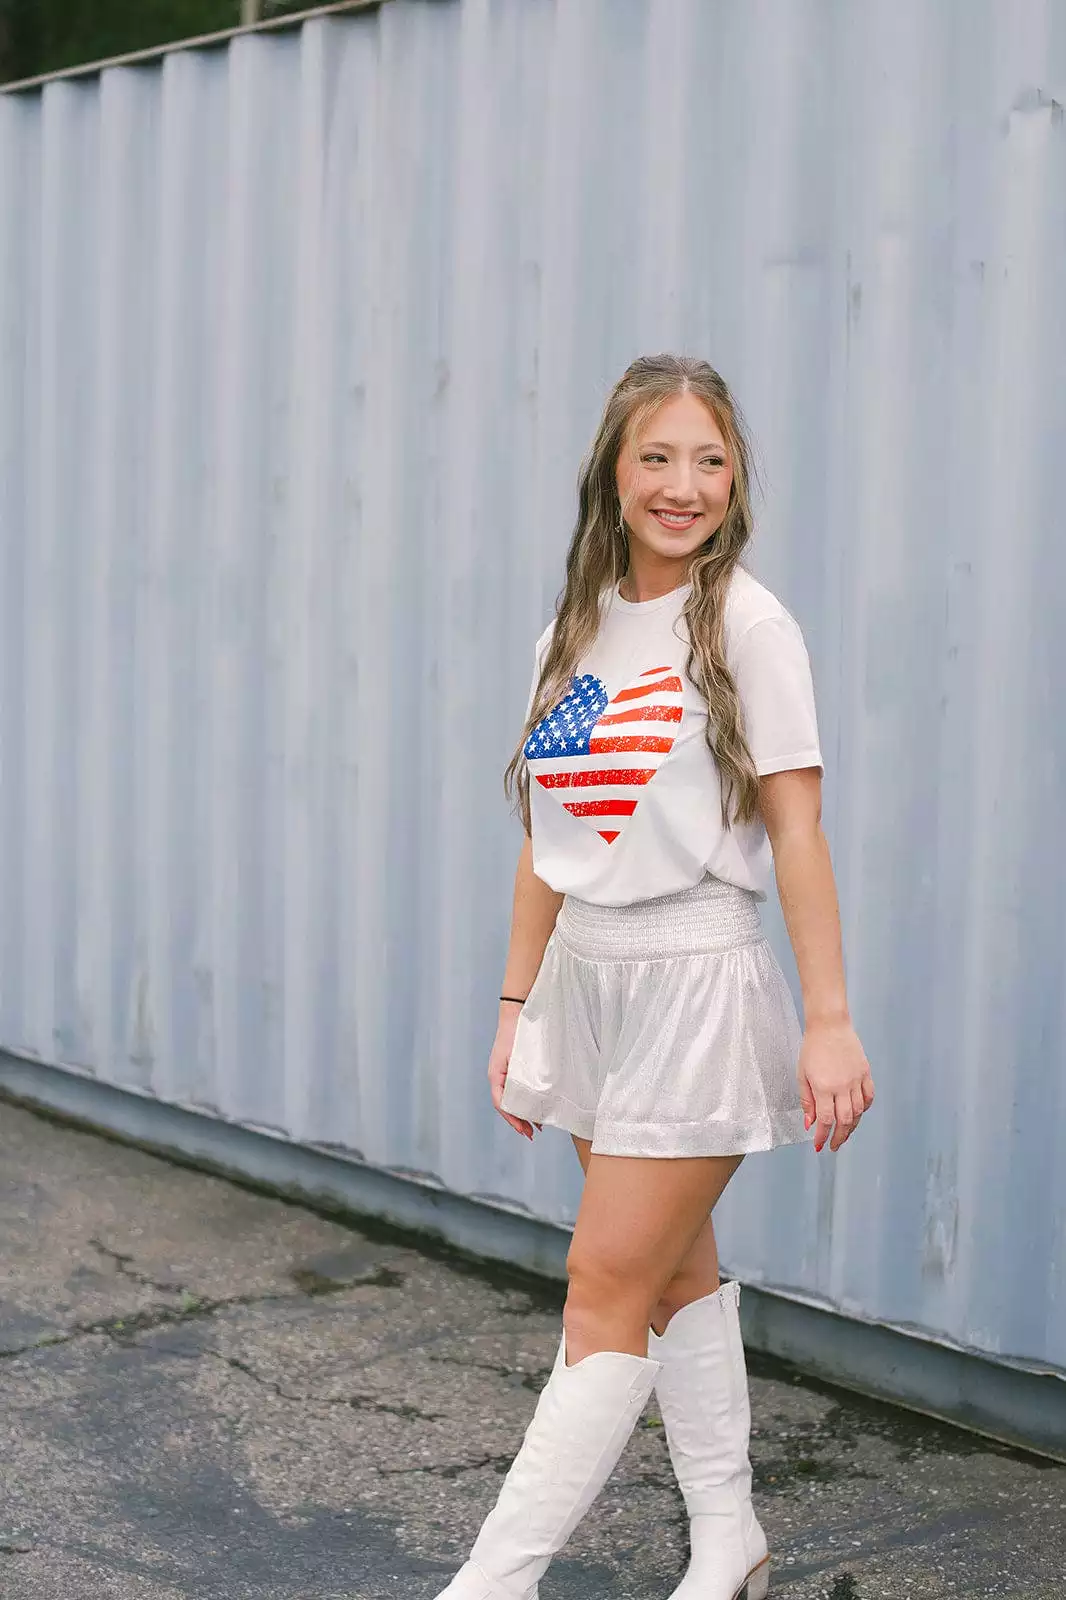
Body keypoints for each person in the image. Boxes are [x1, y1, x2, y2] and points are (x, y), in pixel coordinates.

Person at [433, 354, 875, 1600]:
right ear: (612, 474)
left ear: (735, 482)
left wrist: (828, 1018)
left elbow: (797, 828)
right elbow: (545, 839)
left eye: (710, 460)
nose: (683, 486)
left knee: (602, 1281)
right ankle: (728, 1537)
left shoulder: (745, 623)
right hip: (590, 977)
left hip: (693, 976)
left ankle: (492, 1581)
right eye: (658, 457)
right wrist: (515, 1006)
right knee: (674, 1269)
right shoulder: (570, 630)